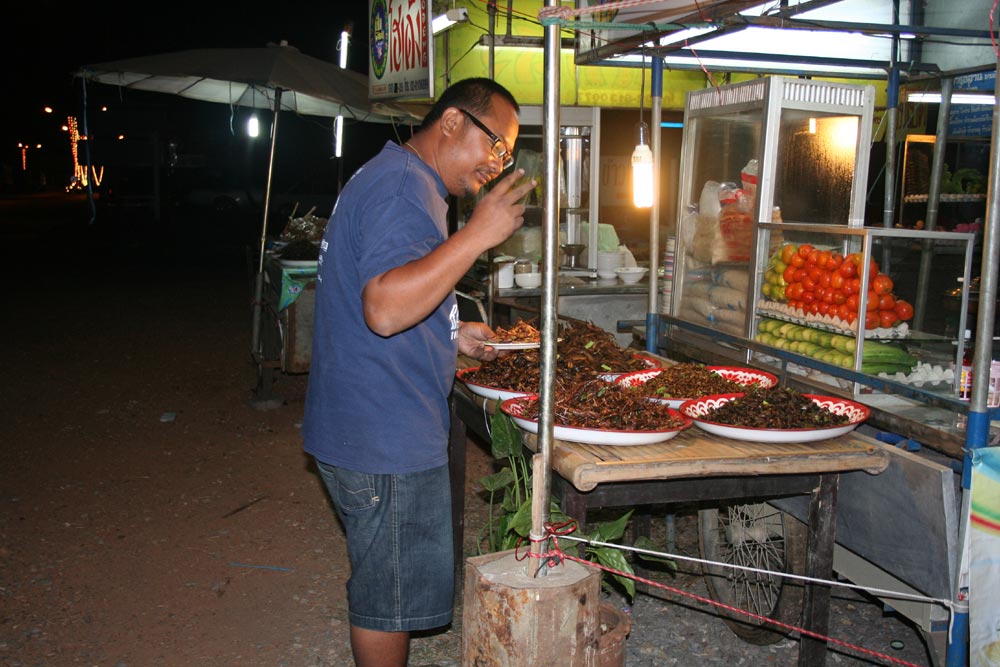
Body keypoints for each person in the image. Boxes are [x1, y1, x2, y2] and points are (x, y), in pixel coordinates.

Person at [302, 78, 535, 667]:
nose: (496, 164)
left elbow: (392, 295)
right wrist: (478, 235)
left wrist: (452, 334)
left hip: (367, 420)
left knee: (390, 584)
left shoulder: (401, 178)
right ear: (453, 122)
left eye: (507, 155)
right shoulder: (405, 188)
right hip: (384, 434)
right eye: (495, 145)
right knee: (388, 597)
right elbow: (383, 308)